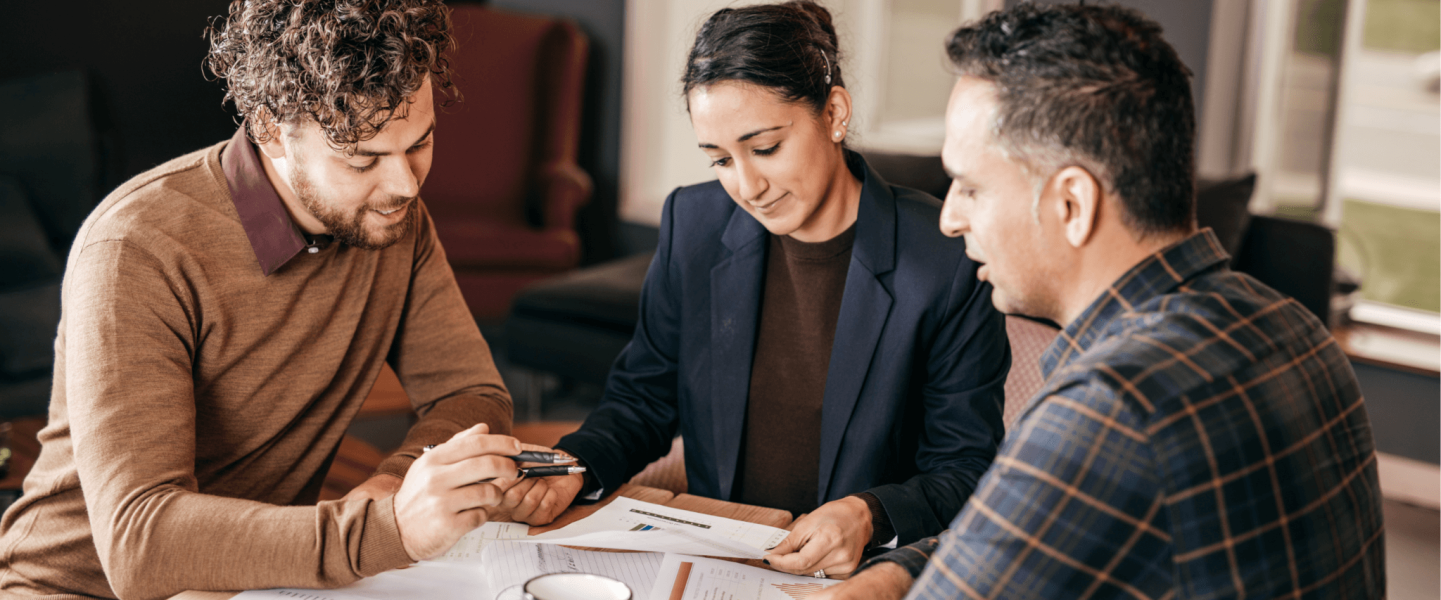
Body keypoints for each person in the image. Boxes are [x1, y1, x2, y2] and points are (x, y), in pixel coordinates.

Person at [816, 4, 1386, 599]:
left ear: (1073, 204)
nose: (950, 218)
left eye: (972, 188)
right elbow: (1037, 529)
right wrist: (899, 573)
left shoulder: (1112, 405)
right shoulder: (1292, 326)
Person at [0, 1, 552, 597]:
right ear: (269, 129)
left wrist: (391, 487)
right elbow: (141, 543)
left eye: (419, 143)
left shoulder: (393, 220)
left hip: (250, 583)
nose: (403, 185)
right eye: (362, 158)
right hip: (74, 589)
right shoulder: (137, 246)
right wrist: (385, 529)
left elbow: (471, 394)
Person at [515, 0, 1010, 580]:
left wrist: (870, 514)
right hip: (718, 563)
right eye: (720, 160)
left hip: (860, 576)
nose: (747, 186)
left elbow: (965, 466)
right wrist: (570, 466)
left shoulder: (945, 258)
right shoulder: (693, 224)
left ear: (834, 113)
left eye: (765, 148)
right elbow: (642, 399)